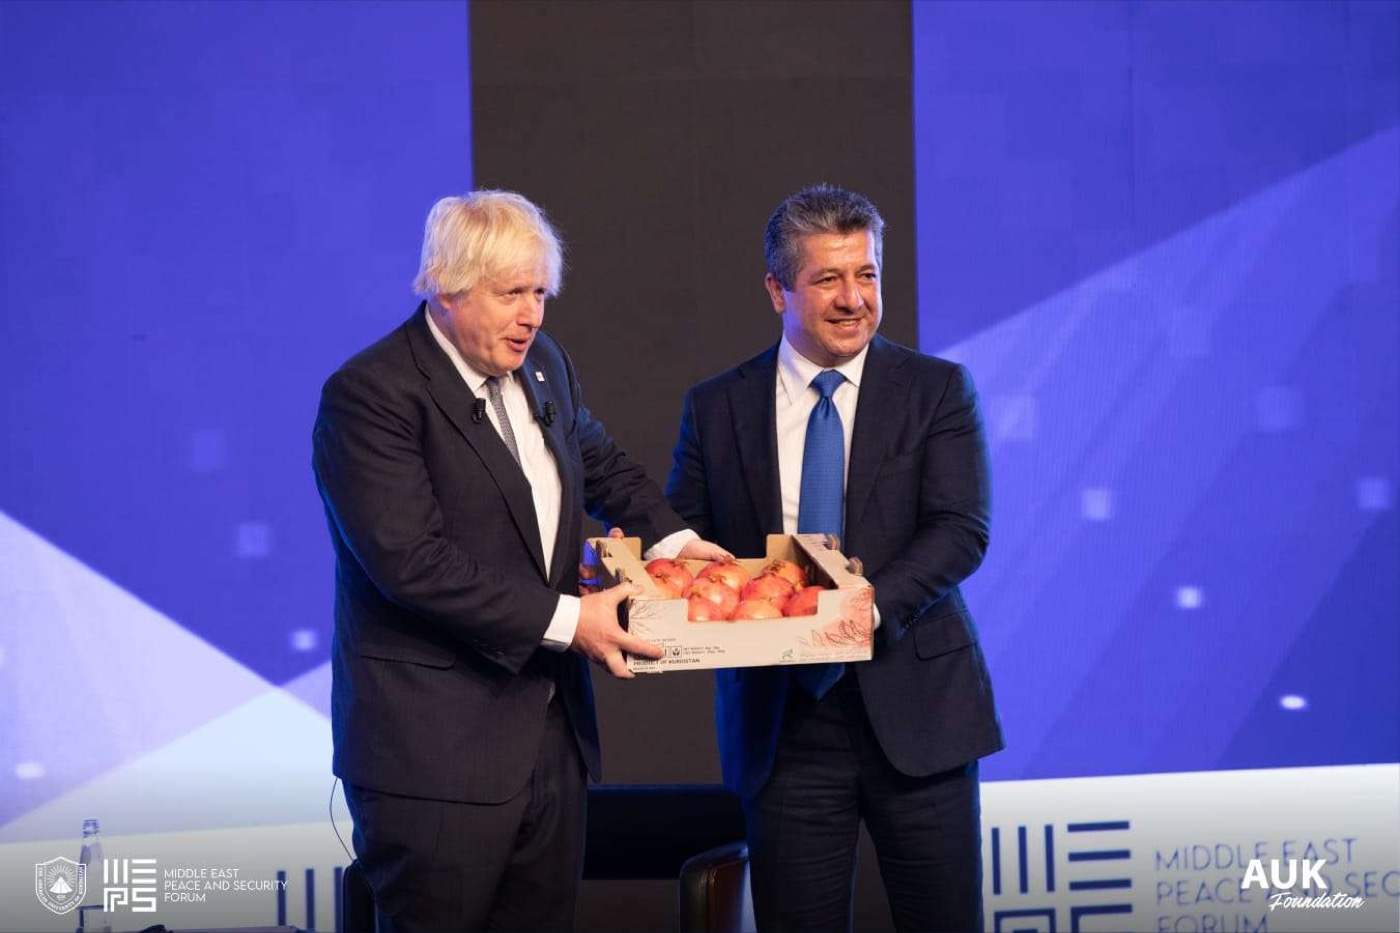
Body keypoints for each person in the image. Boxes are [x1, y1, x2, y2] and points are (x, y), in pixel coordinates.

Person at [313, 190, 727, 932]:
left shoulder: (547, 366)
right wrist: (575, 621)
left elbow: (598, 463)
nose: (531, 314)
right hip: (432, 757)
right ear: (446, 287)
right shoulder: (371, 395)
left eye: (539, 292)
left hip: (550, 743)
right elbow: (411, 563)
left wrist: (676, 542)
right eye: (511, 294)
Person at [666, 184, 1004, 932]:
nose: (854, 299)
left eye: (868, 274)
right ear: (777, 290)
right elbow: (687, 542)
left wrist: (860, 610)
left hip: (919, 709)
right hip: (784, 727)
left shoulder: (937, 390)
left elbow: (960, 529)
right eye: (828, 279)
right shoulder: (716, 406)